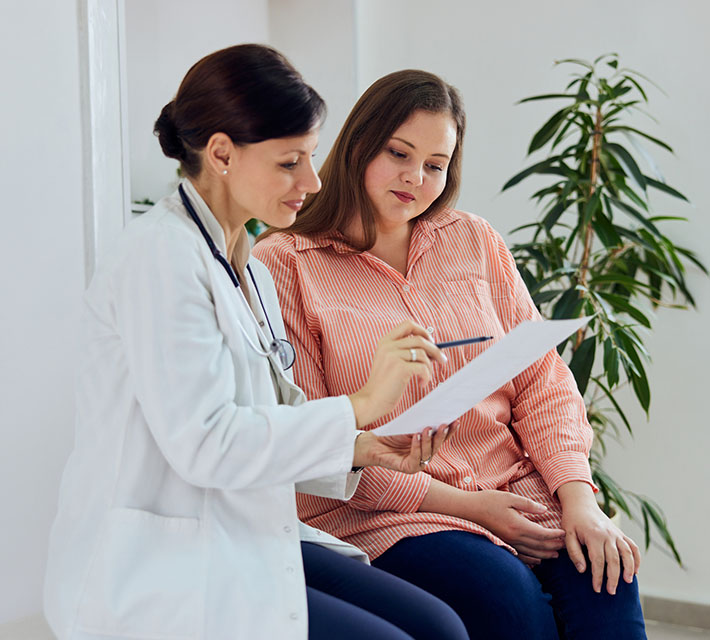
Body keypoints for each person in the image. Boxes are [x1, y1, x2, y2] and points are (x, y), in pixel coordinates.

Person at [43, 47, 470, 640]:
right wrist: (363, 403)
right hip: (162, 564)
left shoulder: (249, 266)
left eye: (312, 158)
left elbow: (275, 415)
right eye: (290, 162)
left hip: (238, 532)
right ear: (221, 153)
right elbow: (210, 445)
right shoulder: (159, 256)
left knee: (440, 626)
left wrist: (365, 446)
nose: (313, 182)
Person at [253, 69, 647, 639]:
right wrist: (472, 508)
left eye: (435, 165)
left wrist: (579, 498)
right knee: (506, 598)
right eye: (398, 153)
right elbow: (316, 439)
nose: (415, 178)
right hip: (390, 513)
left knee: (609, 573)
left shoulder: (474, 240)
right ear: (359, 144)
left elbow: (544, 383)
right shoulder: (285, 261)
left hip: (516, 488)